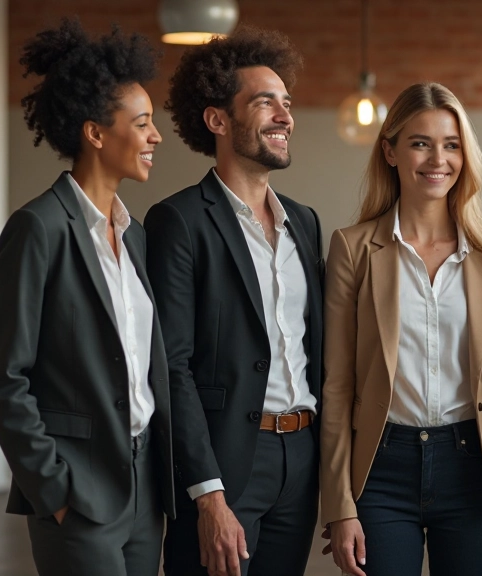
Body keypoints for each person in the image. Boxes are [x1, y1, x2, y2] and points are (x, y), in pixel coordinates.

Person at [0, 19, 173, 576]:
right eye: (142, 123)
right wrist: (55, 490)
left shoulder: (134, 235)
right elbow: (4, 380)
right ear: (95, 133)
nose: (156, 136)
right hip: (78, 488)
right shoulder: (38, 228)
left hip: (144, 485)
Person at [319, 82, 482, 576]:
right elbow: (337, 385)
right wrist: (340, 505)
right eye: (420, 143)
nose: (438, 159)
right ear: (390, 151)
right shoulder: (352, 249)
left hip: (475, 467)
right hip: (381, 469)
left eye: (451, 145)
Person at [145, 27, 324, 576]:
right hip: (223, 464)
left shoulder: (305, 222)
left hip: (302, 458)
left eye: (286, 103)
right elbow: (172, 367)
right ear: (217, 120)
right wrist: (208, 493)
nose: (285, 116)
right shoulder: (178, 221)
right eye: (265, 102)